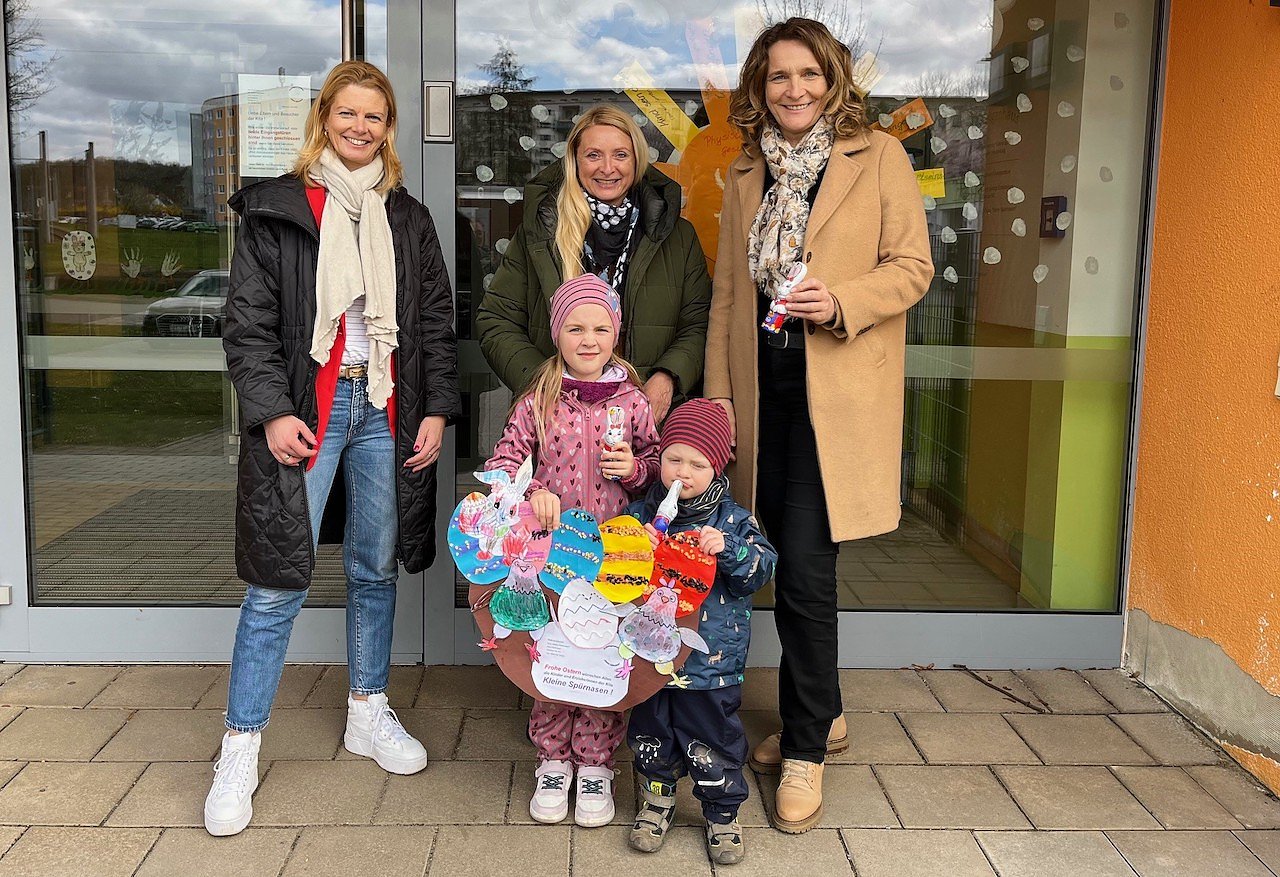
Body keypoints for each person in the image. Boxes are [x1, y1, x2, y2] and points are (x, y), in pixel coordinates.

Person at [206, 61, 460, 837]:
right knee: (277, 579)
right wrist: (271, 412)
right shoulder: (278, 210)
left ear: (388, 128)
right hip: (309, 408)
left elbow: (433, 321)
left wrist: (436, 409)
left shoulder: (406, 216)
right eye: (347, 113)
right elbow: (247, 325)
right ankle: (239, 746)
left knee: (374, 567)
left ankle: (366, 708)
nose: (360, 127)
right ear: (324, 118)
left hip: (384, 404)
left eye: (374, 116)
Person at [703, 18, 934, 833]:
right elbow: (728, 297)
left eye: (808, 74)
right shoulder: (746, 171)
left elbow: (913, 267)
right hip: (761, 392)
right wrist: (719, 401)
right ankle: (823, 709)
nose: (793, 89)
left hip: (833, 393)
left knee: (805, 571)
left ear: (833, 80)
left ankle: (805, 747)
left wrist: (839, 301)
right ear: (759, 88)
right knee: (770, 555)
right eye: (778, 76)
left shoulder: (880, 156)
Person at [482, 273, 660, 827]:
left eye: (601, 328)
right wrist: (532, 490)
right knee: (555, 648)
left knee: (605, 651)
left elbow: (659, 469)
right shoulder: (538, 400)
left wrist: (635, 469)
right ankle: (553, 759)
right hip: (554, 556)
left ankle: (597, 763)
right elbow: (503, 464)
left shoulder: (632, 403)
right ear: (556, 333)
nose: (589, 339)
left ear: (616, 334)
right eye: (576, 328)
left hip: (613, 557)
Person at [476, 105, 711, 423]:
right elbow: (496, 320)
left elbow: (697, 325)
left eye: (620, 155)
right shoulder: (542, 232)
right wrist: (543, 383)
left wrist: (668, 376)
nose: (607, 168)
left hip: (647, 420)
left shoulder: (678, 237)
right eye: (593, 155)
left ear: (637, 161)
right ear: (575, 161)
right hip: (558, 423)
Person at [623, 399, 777, 866]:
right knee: (651, 733)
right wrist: (634, 547)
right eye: (674, 459)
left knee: (714, 739)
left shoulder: (734, 520)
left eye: (698, 464)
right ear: (659, 459)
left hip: (712, 661)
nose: (683, 473)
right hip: (650, 656)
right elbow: (613, 578)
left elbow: (760, 571)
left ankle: (722, 813)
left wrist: (728, 549)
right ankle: (656, 800)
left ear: (717, 468)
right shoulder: (641, 513)